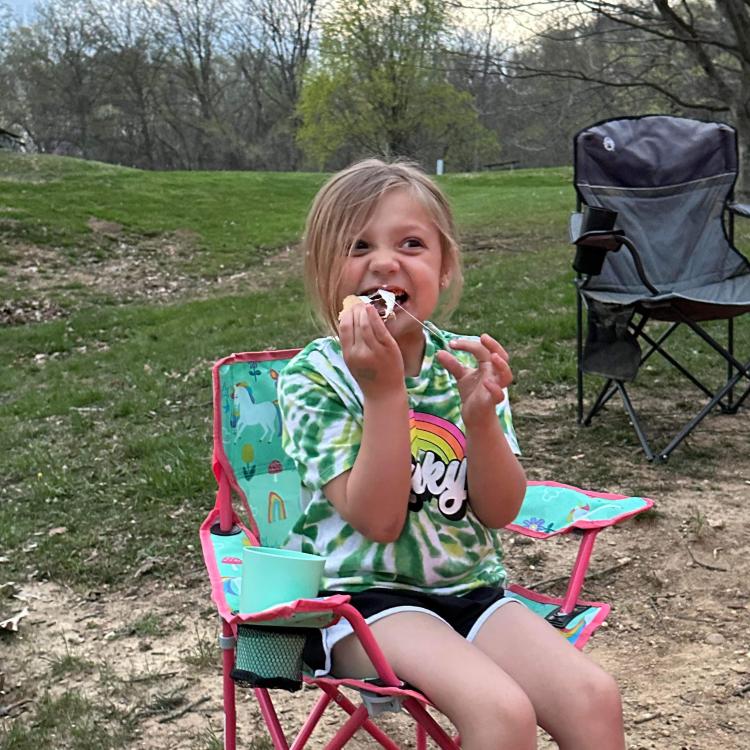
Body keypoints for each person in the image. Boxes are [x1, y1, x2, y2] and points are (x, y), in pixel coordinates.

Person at [277, 159, 625, 750]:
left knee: (593, 698)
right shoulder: (313, 379)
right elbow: (379, 521)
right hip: (361, 604)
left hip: (472, 590)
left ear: (444, 267)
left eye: (411, 243)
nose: (385, 262)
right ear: (323, 273)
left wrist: (481, 420)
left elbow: (499, 510)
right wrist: (385, 391)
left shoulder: (458, 365)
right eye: (357, 245)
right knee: (502, 712)